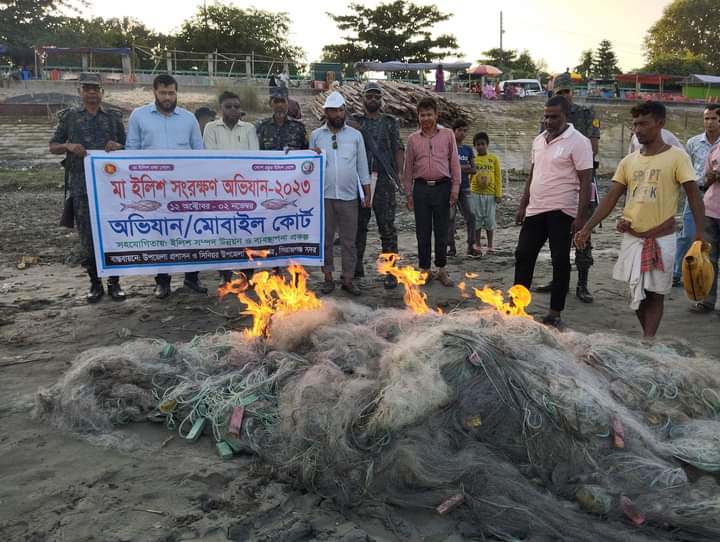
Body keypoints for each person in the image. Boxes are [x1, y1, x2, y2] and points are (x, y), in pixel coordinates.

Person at [576, 101, 705, 338]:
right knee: (636, 292)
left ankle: (648, 339)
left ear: (660, 124)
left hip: (662, 237)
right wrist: (586, 228)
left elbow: (694, 196)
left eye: (644, 124)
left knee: (655, 293)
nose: (638, 129)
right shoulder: (629, 161)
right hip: (632, 236)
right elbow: (610, 198)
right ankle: (648, 335)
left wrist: (699, 233)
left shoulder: (677, 157)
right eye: (635, 124)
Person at [514, 95, 593, 329]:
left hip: (562, 211)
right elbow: (532, 173)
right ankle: (518, 305)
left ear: (565, 114)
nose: (548, 121)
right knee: (523, 255)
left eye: (554, 116)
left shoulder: (579, 142)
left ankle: (554, 312)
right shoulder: (539, 140)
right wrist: (523, 204)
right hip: (535, 210)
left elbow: (586, 180)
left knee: (560, 261)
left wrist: (581, 217)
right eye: (546, 116)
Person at [125, 74, 205, 299]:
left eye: (171, 93)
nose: (168, 97)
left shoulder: (189, 119)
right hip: (153, 188)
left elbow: (199, 152)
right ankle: (162, 281)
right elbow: (131, 151)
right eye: (163, 93)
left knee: (190, 231)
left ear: (177, 92)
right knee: (159, 234)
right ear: (154, 92)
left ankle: (192, 278)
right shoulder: (139, 116)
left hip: (185, 188)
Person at [49, 72, 126, 303]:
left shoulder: (113, 117)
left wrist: (118, 145)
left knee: (112, 234)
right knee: (87, 237)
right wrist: (69, 146)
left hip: (110, 188)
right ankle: (95, 283)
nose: (92, 93)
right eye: (87, 88)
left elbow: (128, 145)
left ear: (102, 92)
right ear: (80, 92)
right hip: (81, 186)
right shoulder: (69, 117)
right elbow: (53, 146)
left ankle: (115, 283)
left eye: (96, 89)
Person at [535, 72, 601, 304]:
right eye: (559, 92)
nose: (564, 96)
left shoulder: (586, 113)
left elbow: (593, 148)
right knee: (556, 239)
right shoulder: (548, 115)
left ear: (573, 92)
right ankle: (558, 279)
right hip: (556, 185)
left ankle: (582, 284)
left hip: (583, 181)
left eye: (567, 92)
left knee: (583, 232)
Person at [309, 91, 371, 296]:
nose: (337, 114)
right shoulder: (317, 135)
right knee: (326, 240)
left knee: (348, 241)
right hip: (324, 196)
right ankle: (328, 277)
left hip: (349, 196)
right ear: (326, 112)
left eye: (341, 110)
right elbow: (309, 167)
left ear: (345, 111)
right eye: (333, 110)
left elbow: (362, 165)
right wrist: (312, 156)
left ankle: (348, 278)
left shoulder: (356, 136)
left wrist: (367, 192)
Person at [402, 97, 461, 287]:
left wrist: (455, 189)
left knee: (442, 231)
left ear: (436, 115)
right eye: (422, 115)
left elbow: (454, 163)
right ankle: (425, 269)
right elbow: (408, 168)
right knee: (423, 232)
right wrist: (408, 193)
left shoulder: (448, 134)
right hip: (420, 189)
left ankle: (442, 269)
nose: (426, 118)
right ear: (418, 117)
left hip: (443, 187)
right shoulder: (412, 139)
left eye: (429, 114)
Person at [350, 81, 404, 288]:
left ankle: (390, 272)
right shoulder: (354, 121)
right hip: (360, 180)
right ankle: (356, 268)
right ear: (363, 98)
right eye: (369, 96)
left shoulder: (390, 122)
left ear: (381, 100)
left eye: (376, 96)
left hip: (383, 180)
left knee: (387, 227)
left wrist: (398, 174)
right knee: (359, 227)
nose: (373, 100)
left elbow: (398, 148)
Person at [203, 90, 259, 285]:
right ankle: (225, 275)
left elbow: (254, 158)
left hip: (246, 190)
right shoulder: (211, 128)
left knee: (247, 232)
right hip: (220, 190)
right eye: (228, 106)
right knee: (223, 234)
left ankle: (247, 274)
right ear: (221, 109)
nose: (233, 110)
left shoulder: (249, 128)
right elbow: (211, 158)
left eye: (236, 106)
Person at [672, 105, 720, 287]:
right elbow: (687, 169)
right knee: (688, 234)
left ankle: (704, 275)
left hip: (715, 196)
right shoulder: (693, 142)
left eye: (713, 118)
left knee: (710, 241)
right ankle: (676, 272)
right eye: (706, 118)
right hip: (696, 194)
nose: (709, 122)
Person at [691, 142, 720, 313]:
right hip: (711, 210)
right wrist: (712, 176)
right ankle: (708, 301)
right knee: (709, 259)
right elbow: (705, 180)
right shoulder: (715, 149)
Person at [447, 119, 478, 257]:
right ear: (453, 131)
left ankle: (471, 245)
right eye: (460, 130)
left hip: (465, 187)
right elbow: (446, 168)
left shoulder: (468, 149)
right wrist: (462, 167)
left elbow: (474, 170)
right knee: (450, 218)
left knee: (471, 216)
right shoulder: (448, 149)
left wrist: (459, 168)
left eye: (465, 130)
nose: (462, 133)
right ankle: (451, 247)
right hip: (449, 188)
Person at [470, 132, 502, 254]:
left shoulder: (493, 159)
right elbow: (470, 177)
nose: (480, 146)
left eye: (483, 144)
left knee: (489, 220)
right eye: (478, 145)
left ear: (487, 145)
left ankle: (490, 245)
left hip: (490, 195)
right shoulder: (474, 159)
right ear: (474, 146)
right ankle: (477, 244)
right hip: (476, 194)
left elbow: (498, 177)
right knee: (477, 219)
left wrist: (498, 194)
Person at [256, 86, 308, 151]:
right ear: (270, 104)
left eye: (283, 101)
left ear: (288, 103)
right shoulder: (261, 127)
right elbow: (256, 152)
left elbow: (306, 152)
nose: (280, 105)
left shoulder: (299, 128)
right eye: (276, 101)